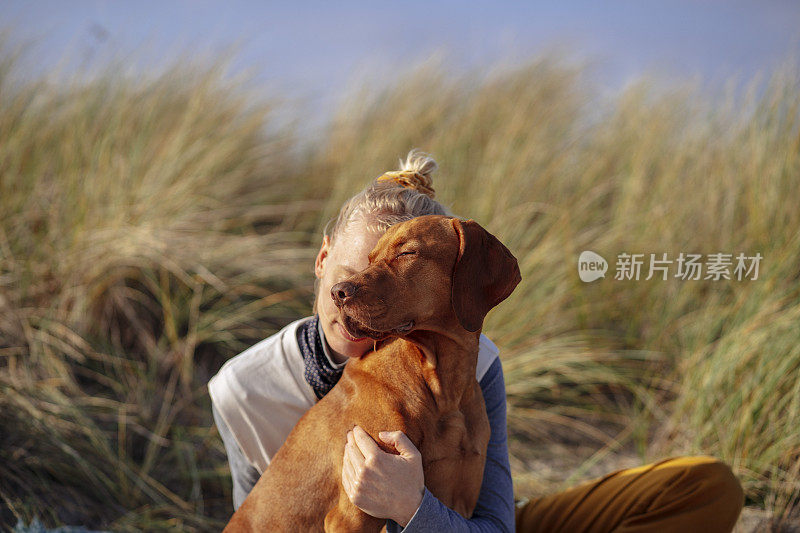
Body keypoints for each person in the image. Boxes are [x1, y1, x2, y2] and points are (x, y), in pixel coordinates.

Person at [209, 150, 745, 532]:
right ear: (322, 260)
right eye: (348, 273)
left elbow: (495, 522)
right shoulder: (242, 388)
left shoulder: (473, 365)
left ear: (455, 284)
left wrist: (414, 507)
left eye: (400, 263)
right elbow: (259, 515)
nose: (353, 291)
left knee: (704, 485)